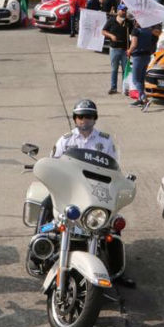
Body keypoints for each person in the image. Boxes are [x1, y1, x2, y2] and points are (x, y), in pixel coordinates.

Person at [42, 99, 135, 288]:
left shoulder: (105, 140)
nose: (85, 120)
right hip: (70, 190)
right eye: (81, 116)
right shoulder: (66, 140)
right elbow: (53, 164)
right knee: (45, 204)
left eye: (89, 116)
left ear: (95, 119)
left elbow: (115, 168)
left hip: (97, 191)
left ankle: (117, 272)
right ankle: (40, 251)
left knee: (112, 224)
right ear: (75, 119)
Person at [127, 21, 161, 107]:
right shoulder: (150, 31)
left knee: (135, 80)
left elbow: (134, 44)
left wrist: (129, 51)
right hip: (147, 56)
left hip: (138, 56)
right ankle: (140, 99)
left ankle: (143, 98)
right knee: (141, 79)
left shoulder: (136, 31)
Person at [102, 5, 134, 95]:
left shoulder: (128, 22)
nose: (124, 12)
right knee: (114, 69)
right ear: (118, 10)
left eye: (125, 10)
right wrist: (111, 36)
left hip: (125, 49)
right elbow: (103, 31)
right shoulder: (111, 20)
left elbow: (133, 34)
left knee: (125, 69)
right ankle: (113, 87)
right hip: (114, 49)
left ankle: (125, 88)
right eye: (122, 10)